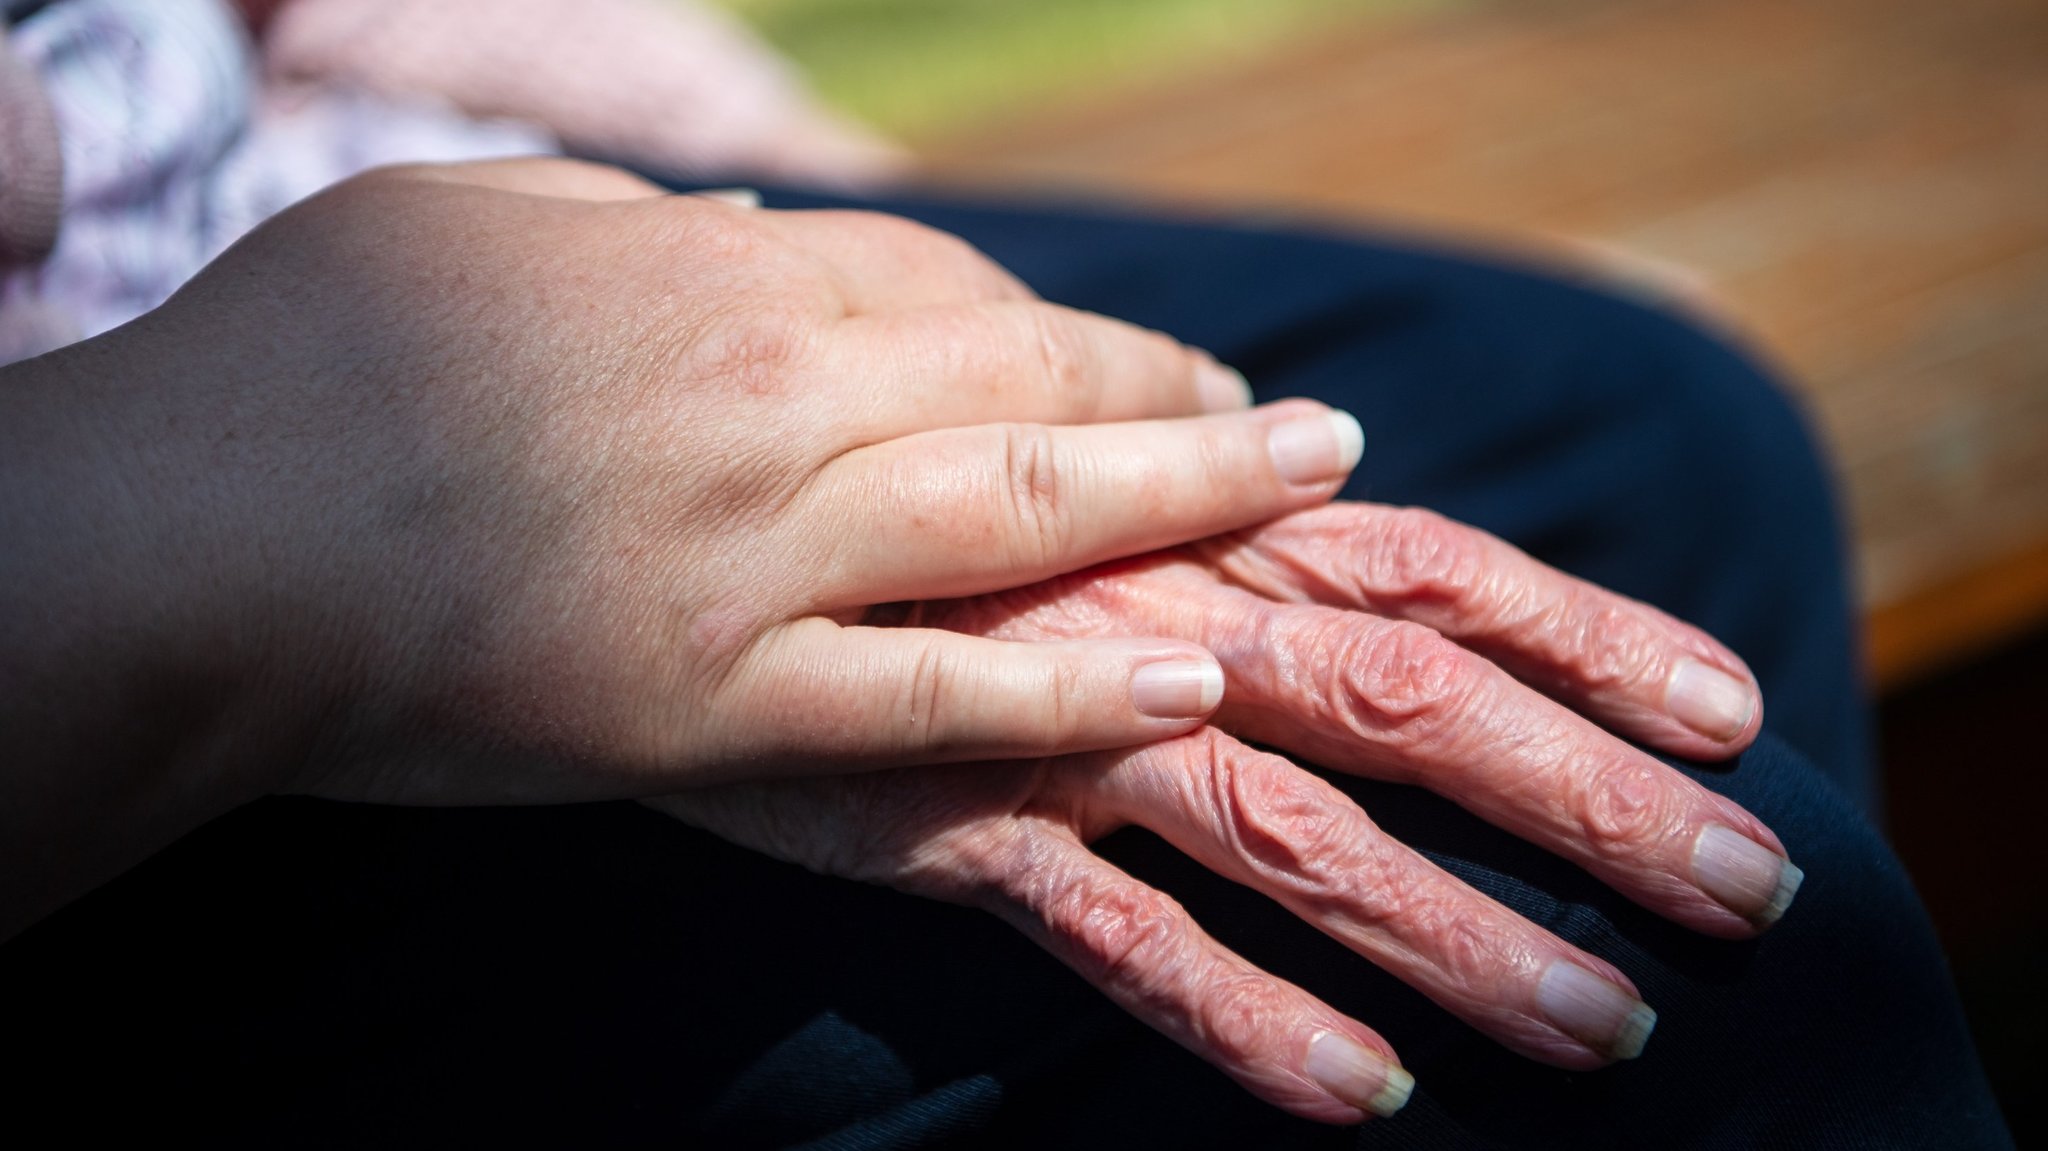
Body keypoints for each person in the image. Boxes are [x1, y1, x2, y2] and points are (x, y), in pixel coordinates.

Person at [0, 3, 2011, 1148]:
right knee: (1651, 937)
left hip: (318, 244)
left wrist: (759, 176)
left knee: (1634, 443)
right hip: (129, 590)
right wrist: (253, 520)